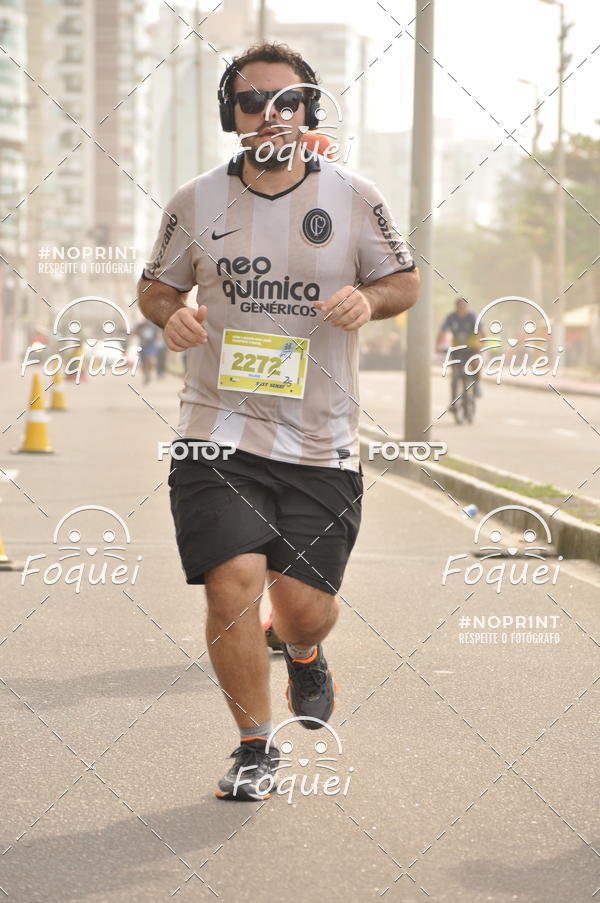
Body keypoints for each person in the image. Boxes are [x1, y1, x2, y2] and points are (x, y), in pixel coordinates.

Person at [137, 42, 420, 801]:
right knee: (231, 582)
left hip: (321, 438)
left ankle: (301, 651)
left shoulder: (353, 195)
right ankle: (254, 745)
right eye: (253, 100)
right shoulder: (195, 201)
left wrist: (370, 299)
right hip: (217, 431)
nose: (271, 113)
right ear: (230, 114)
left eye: (287, 100)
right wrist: (171, 314)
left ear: (308, 111)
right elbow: (155, 287)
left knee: (304, 611)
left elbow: (403, 280)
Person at [437, 297, 485, 414]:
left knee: (475, 364)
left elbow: (482, 331)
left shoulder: (472, 317)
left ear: (467, 307)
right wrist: (438, 345)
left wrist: (482, 343)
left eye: (464, 307)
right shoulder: (451, 317)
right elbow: (442, 331)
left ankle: (477, 384)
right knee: (454, 374)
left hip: (472, 347)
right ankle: (453, 401)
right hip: (457, 349)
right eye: (460, 307)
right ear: (456, 307)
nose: (462, 309)